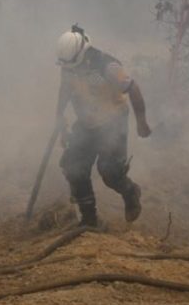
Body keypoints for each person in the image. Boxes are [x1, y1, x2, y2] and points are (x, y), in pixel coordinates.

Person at [55, 25, 151, 228]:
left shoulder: (107, 66)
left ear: (82, 53)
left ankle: (130, 192)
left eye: (73, 66)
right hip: (86, 123)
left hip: (112, 122)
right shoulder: (69, 65)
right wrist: (59, 116)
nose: (70, 70)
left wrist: (141, 122)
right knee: (74, 167)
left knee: (110, 171)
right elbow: (65, 88)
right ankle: (90, 220)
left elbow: (133, 88)